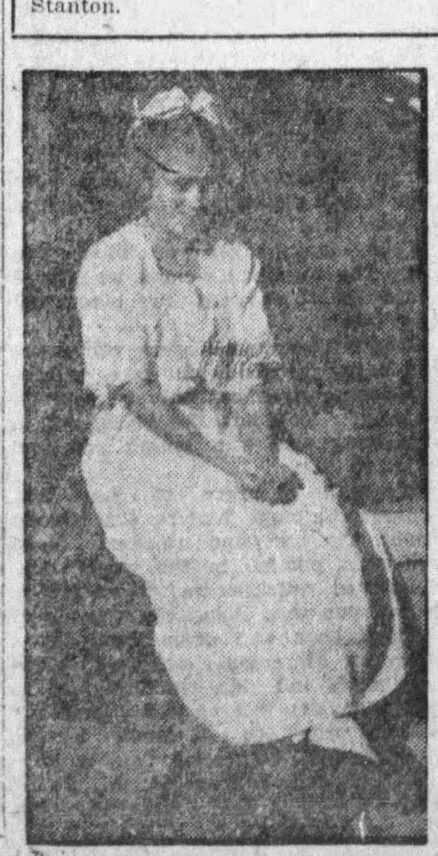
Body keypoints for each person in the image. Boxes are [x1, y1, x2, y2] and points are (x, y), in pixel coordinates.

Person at [76, 87, 406, 759]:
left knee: (310, 515)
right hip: (146, 444)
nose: (195, 202)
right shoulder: (114, 262)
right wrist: (228, 468)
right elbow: (137, 394)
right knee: (226, 541)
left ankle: (332, 701)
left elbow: (244, 377)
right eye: (179, 187)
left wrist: (260, 460)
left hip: (225, 430)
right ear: (145, 182)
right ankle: (273, 720)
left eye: (205, 187)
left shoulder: (231, 260)